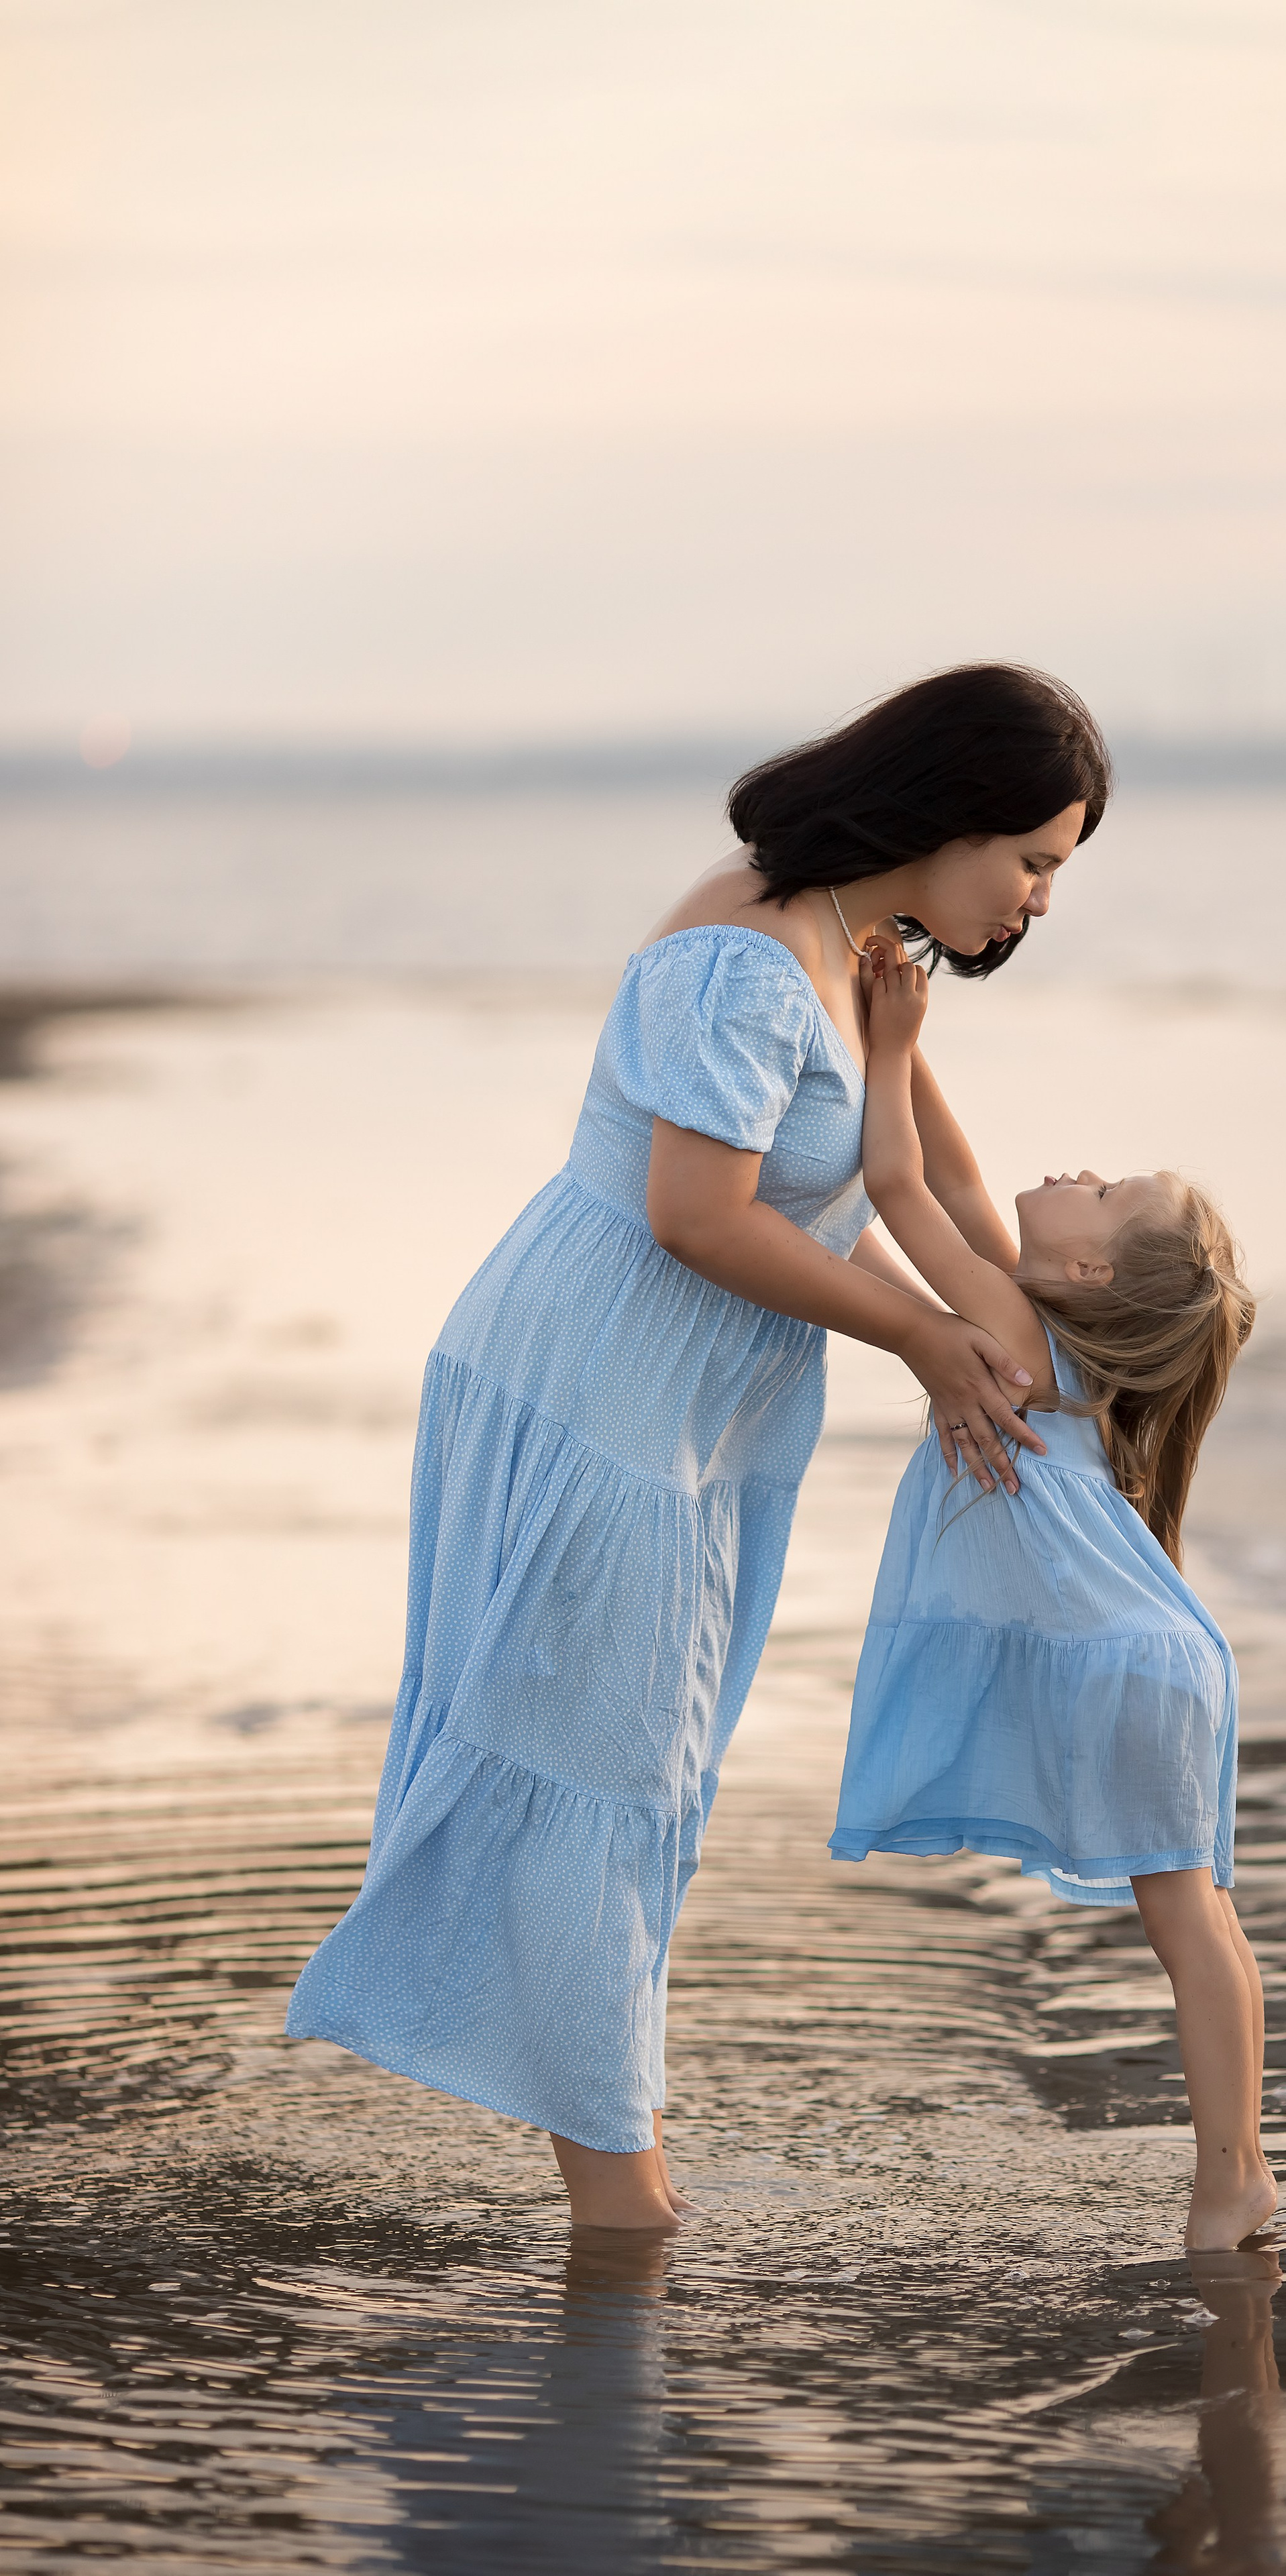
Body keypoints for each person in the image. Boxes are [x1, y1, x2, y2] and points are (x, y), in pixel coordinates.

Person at [286, 664, 1111, 2229]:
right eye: (1036, 860)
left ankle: (613, 2146)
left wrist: (1036, 1340)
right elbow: (696, 1217)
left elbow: (930, 1181)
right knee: (601, 1770)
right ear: (947, 818)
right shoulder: (745, 952)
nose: (1041, 899)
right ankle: (620, 2201)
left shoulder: (860, 945)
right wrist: (929, 1345)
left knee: (648, 1769)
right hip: (599, 1391)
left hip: (694, 1414)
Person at [830, 943, 1271, 2250]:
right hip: (1157, 1656)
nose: (1078, 1170)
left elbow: (899, 1185)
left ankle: (1225, 2183)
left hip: (1126, 1667)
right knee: (1201, 1926)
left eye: (1104, 1191)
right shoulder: (1047, 1333)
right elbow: (959, 1179)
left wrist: (882, 1051)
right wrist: (905, 1038)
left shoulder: (1013, 1331)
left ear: (1083, 1275)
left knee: (1186, 1925)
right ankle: (1238, 2167)